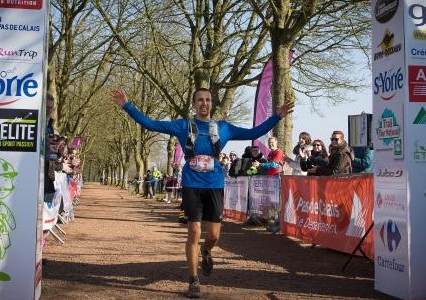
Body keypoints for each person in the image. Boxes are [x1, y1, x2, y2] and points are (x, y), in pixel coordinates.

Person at [111, 88, 293, 298]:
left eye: (207, 100)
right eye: (200, 100)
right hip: (192, 184)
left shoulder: (223, 128)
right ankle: (193, 280)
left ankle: (206, 251)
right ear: (194, 104)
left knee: (214, 236)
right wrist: (127, 106)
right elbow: (150, 123)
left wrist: (276, 117)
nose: (204, 103)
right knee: (194, 232)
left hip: (214, 184)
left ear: (211, 104)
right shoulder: (182, 125)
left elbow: (252, 132)